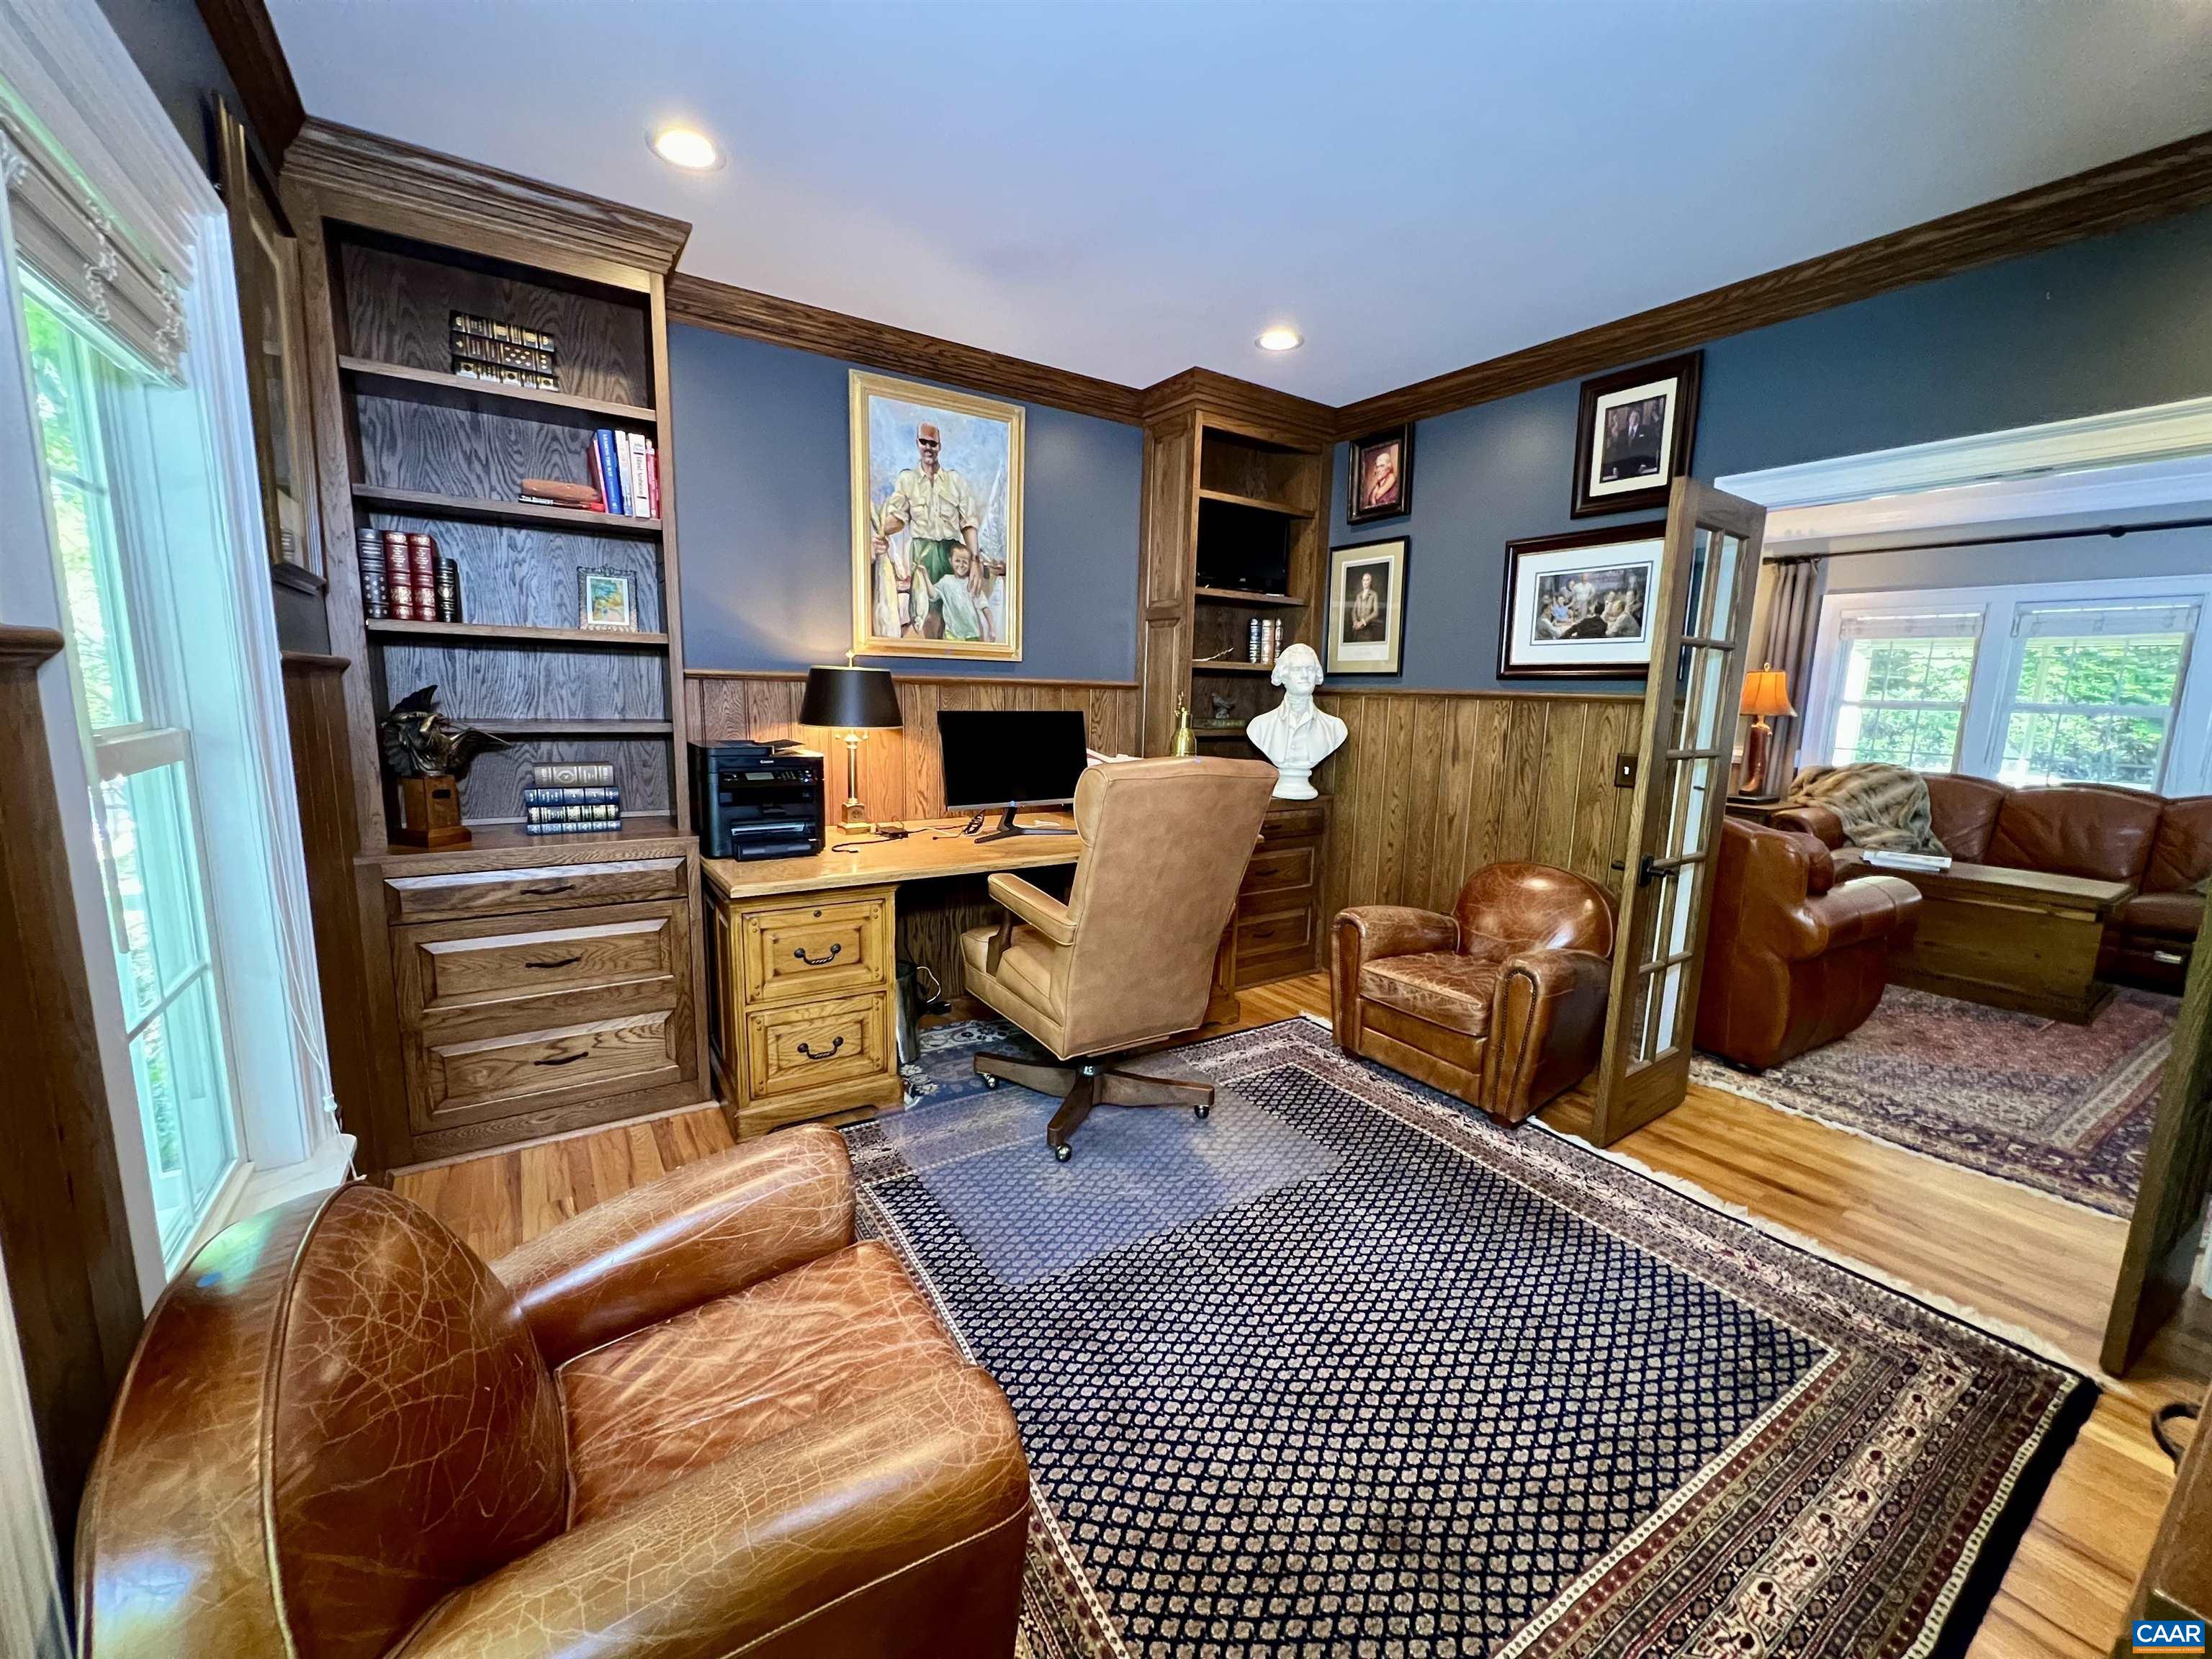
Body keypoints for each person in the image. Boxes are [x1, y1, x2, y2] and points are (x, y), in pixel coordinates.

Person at [873, 421, 981, 637]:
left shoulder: (955, 481)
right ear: (918, 444)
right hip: (922, 554)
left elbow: (968, 523)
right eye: (924, 442)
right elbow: (898, 519)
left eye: (933, 443)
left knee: (957, 611)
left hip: (952, 553)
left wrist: (975, 561)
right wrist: (879, 532)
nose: (928, 448)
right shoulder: (907, 480)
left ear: (939, 446)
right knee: (927, 614)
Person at [1246, 643, 1346, 801]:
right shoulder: (1260, 727)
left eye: (1310, 669)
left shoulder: (1335, 729)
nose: (1305, 676)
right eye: (1298, 670)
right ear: (1284, 675)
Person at [930, 542, 992, 642]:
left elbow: (984, 606)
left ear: (970, 564)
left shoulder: (972, 582)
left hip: (972, 633)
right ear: (951, 561)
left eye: (965, 562)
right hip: (952, 634)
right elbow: (932, 594)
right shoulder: (946, 582)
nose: (961, 565)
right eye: (957, 561)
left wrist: (992, 628)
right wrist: (923, 575)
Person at [1360, 444, 1399, 511]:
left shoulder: (1395, 488)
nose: (1378, 470)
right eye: (1377, 467)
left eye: (1382, 466)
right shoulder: (1375, 489)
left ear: (1389, 468)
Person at [1347, 569, 1382, 641]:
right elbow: (1354, 611)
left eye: (1367, 580)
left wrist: (1363, 622)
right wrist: (1355, 622)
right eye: (1364, 580)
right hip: (1357, 630)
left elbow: (1376, 613)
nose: (1365, 582)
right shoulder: (1358, 595)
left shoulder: (1374, 595)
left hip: (1367, 631)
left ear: (1370, 582)